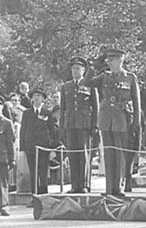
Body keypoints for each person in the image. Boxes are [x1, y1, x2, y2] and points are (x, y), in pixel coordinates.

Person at [84, 48, 141, 196]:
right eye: (108, 60)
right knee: (109, 154)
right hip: (106, 119)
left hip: (121, 118)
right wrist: (92, 68)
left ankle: (119, 187)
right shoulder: (104, 77)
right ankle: (109, 188)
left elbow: (136, 102)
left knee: (120, 155)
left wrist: (136, 122)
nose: (109, 63)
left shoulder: (129, 77)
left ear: (120, 60)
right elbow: (86, 82)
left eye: (112, 60)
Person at [60, 57, 99, 193]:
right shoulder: (66, 86)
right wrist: (61, 127)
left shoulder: (90, 84)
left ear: (83, 70)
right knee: (72, 155)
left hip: (84, 124)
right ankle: (74, 185)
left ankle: (84, 185)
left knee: (84, 155)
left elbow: (96, 106)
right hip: (70, 124)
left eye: (78, 68)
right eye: (73, 68)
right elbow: (63, 108)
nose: (75, 71)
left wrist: (95, 125)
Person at [20, 88, 57, 195]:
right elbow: (23, 130)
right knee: (33, 172)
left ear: (43, 99)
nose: (36, 98)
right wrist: (22, 148)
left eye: (39, 96)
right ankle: (35, 195)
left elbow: (52, 131)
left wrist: (53, 149)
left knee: (43, 172)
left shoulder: (47, 113)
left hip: (44, 147)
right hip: (30, 147)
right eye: (34, 96)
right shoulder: (27, 113)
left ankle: (43, 195)